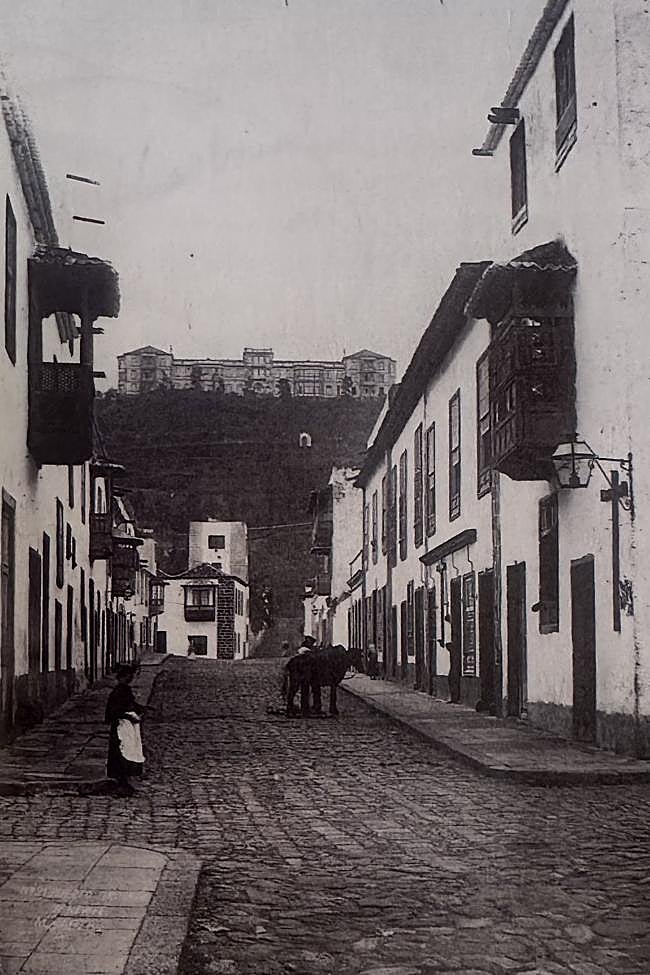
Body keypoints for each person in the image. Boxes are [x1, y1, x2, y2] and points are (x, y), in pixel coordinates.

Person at [105, 665, 145, 796]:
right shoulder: (119, 691)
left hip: (126, 726)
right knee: (122, 752)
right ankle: (121, 782)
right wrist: (129, 715)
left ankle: (124, 781)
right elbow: (114, 711)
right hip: (120, 726)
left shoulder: (124, 690)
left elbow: (130, 704)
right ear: (123, 676)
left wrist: (140, 709)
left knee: (127, 751)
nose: (131, 678)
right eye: (129, 675)